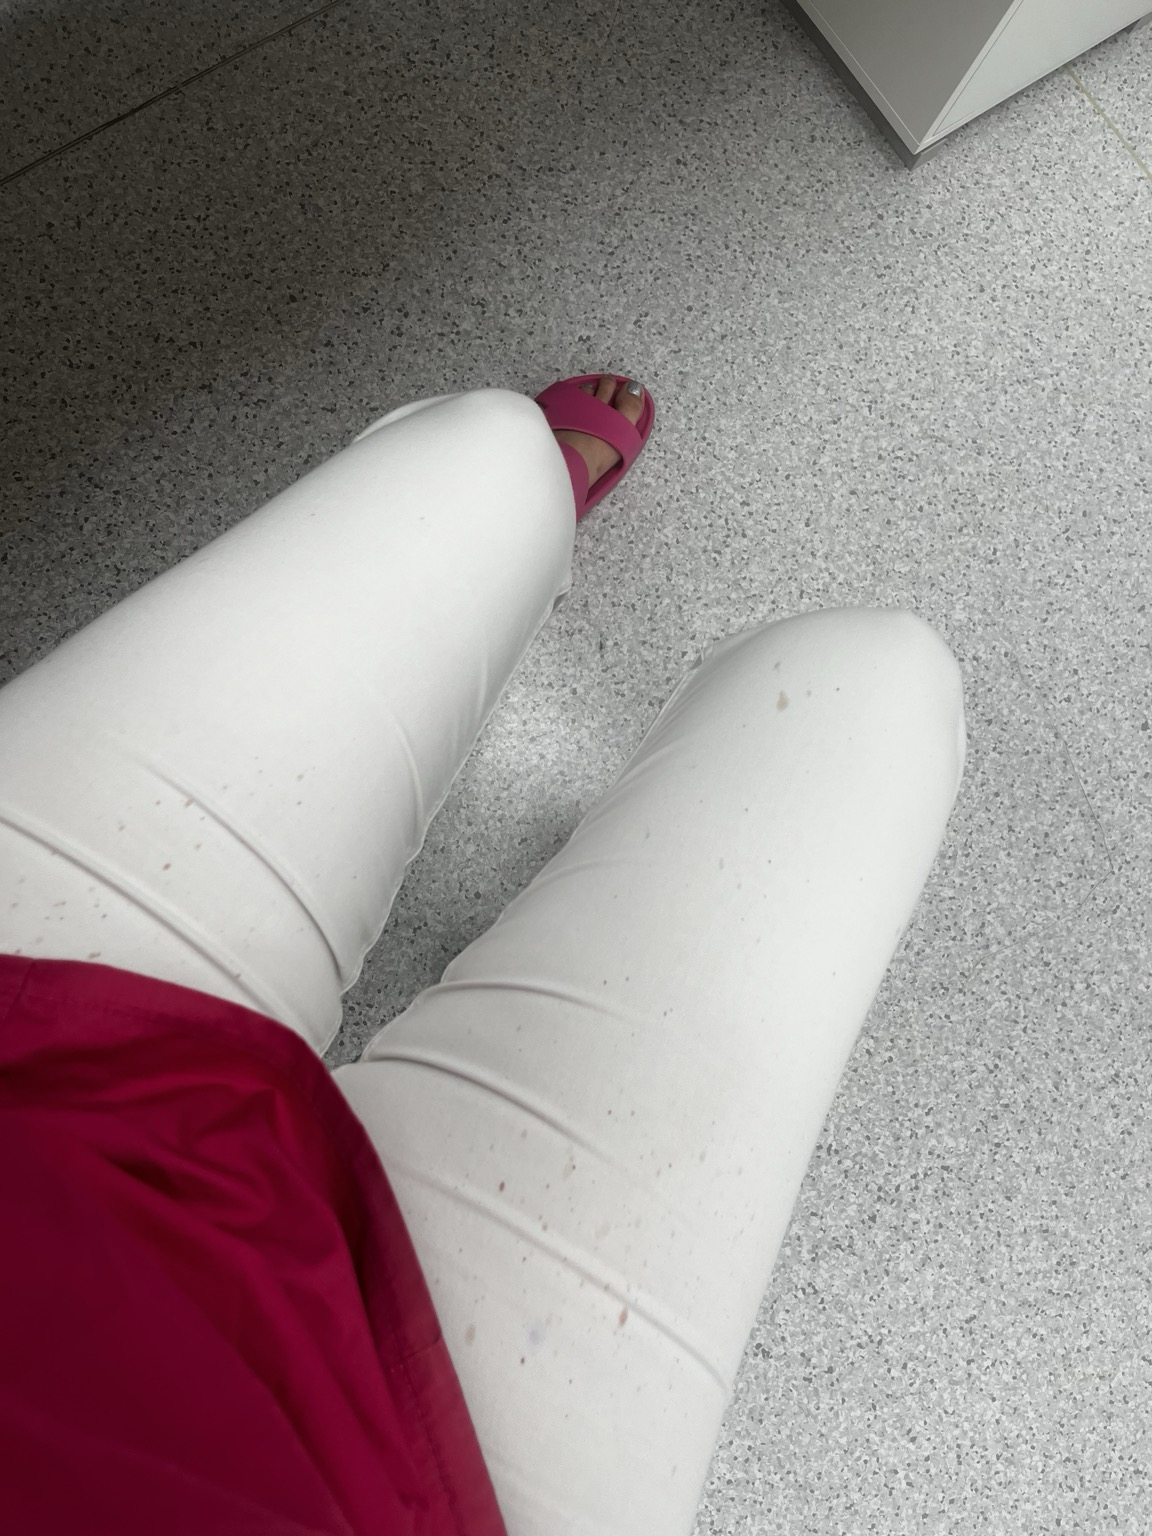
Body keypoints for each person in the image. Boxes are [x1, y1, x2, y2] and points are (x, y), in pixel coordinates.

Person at [0, 372, 966, 1536]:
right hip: (422, 1465)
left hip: (41, 1068)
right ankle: (532, 560)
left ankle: (528, 525)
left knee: (488, 452)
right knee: (875, 683)